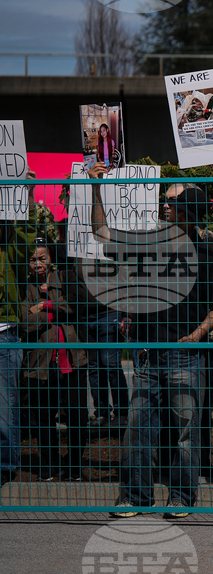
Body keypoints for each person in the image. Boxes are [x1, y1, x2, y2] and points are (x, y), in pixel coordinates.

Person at [89, 161, 213, 518]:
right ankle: (135, 497)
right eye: (164, 200)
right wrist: (96, 188)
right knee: (137, 428)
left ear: (191, 209)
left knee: (186, 432)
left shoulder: (210, 252)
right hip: (148, 355)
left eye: (172, 201)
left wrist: (194, 337)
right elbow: (103, 233)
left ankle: (182, 497)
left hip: (184, 354)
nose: (164, 205)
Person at [21, 241, 89, 481]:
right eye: (33, 259)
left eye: (42, 258)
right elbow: (24, 321)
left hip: (73, 359)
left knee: (77, 415)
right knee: (43, 415)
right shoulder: (23, 287)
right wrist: (55, 311)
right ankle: (50, 464)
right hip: (41, 363)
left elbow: (78, 303)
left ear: (51, 259)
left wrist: (43, 306)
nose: (38, 264)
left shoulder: (66, 277)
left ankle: (73, 465)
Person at [0, 207, 35, 487]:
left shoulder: (10, 254)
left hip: (4, 337)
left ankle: (4, 467)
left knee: (4, 409)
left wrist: (28, 198)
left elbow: (25, 238)